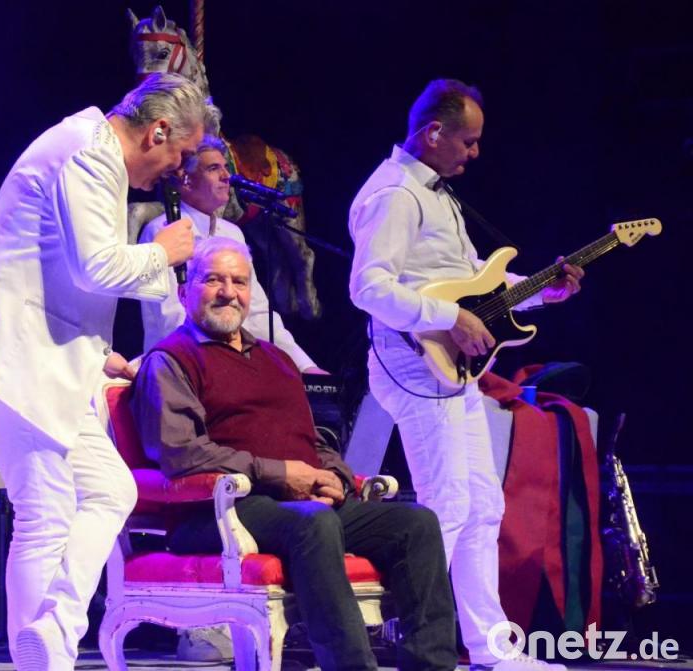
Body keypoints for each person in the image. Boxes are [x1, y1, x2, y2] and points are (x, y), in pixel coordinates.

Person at [0, 73, 220, 671]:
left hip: (43, 356)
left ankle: (53, 628)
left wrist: (96, 351)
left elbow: (55, 267)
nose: (178, 171)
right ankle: (45, 658)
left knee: (112, 490)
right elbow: (95, 267)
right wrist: (164, 252)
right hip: (11, 352)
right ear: (159, 131)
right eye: (182, 154)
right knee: (46, 510)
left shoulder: (91, 150)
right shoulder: (89, 151)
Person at [132, 236, 458, 671]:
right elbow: (181, 453)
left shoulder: (276, 359)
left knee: (416, 524)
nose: (228, 292)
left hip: (296, 505)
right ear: (184, 292)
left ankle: (432, 665)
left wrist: (334, 477)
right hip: (216, 512)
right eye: (213, 280)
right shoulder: (171, 360)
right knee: (314, 522)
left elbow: (313, 439)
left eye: (239, 282)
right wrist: (281, 474)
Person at [348, 79, 584, 671]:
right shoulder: (396, 193)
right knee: (449, 503)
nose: (475, 153)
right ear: (433, 132)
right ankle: (420, 645)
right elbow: (368, 287)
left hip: (454, 371)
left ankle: (492, 649)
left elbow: (470, 278)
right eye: (468, 141)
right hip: (416, 367)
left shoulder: (438, 193)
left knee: (483, 504)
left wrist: (540, 293)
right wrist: (448, 318)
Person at [139, 135, 326, 373]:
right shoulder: (163, 230)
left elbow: (257, 314)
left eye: (226, 167)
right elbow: (173, 318)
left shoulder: (232, 233)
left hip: (229, 366)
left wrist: (305, 367)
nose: (227, 176)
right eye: (213, 168)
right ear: (185, 179)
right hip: (177, 368)